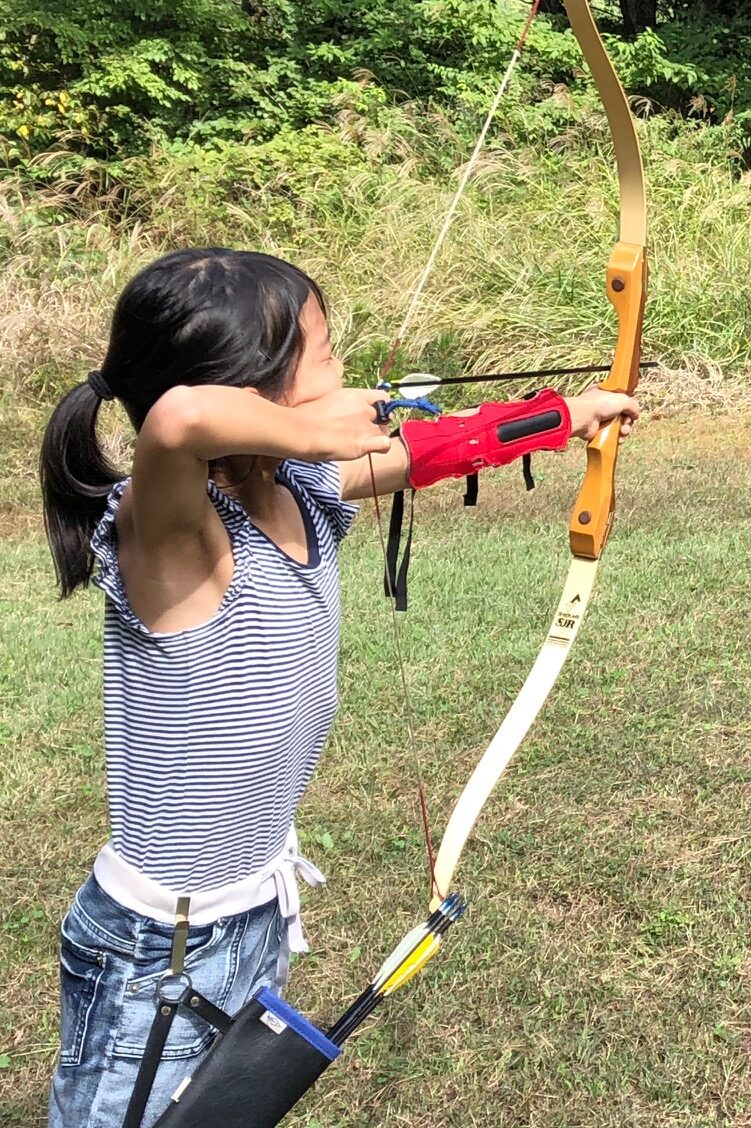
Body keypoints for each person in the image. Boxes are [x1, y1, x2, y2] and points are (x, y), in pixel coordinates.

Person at [38, 248, 639, 1128]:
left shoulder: (302, 490)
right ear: (253, 388)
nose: (345, 374)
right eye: (322, 354)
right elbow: (175, 420)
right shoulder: (172, 538)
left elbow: (431, 447)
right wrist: (318, 432)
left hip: (249, 911)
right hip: (159, 946)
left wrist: (572, 415)